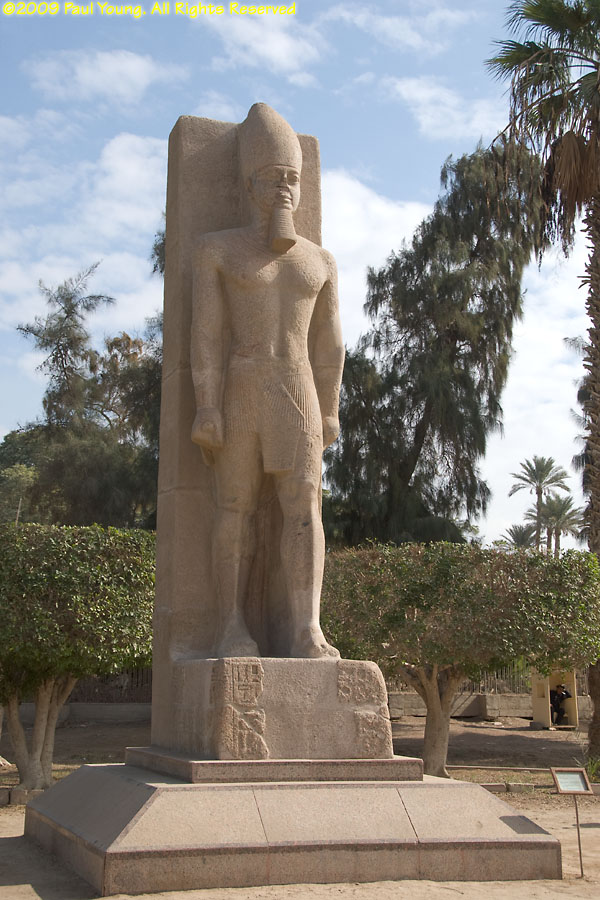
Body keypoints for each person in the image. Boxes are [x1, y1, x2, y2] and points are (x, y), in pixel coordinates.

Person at [190, 103, 344, 660]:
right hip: (242, 387)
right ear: (250, 183)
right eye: (273, 176)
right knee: (236, 507)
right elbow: (206, 334)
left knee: (304, 506)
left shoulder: (320, 261)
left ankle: (307, 627)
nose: (284, 187)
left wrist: (330, 407)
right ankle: (230, 624)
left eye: (292, 178)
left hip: (297, 388)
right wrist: (207, 406)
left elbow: (330, 343)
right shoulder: (218, 249)